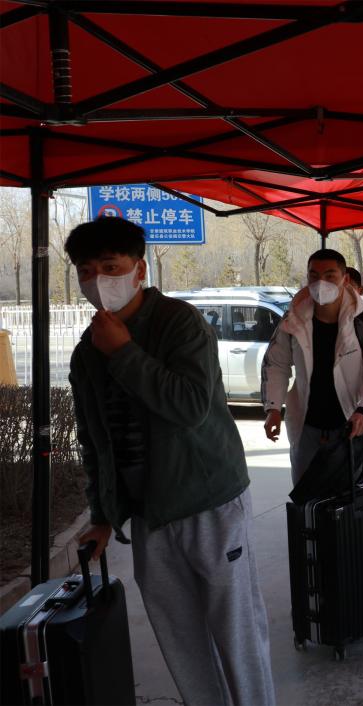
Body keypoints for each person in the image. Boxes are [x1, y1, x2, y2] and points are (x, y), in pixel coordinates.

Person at [65, 217, 275, 706]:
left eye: (110, 267)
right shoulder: (86, 351)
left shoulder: (179, 323)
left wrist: (124, 352)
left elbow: (189, 406)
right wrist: (103, 515)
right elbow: (94, 441)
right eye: (86, 271)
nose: (98, 281)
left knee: (237, 632)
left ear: (139, 270)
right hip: (150, 514)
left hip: (210, 502)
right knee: (180, 639)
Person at [262, 250, 363, 485]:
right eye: (314, 276)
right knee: (308, 498)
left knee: (356, 499)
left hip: (353, 430)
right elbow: (275, 363)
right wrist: (273, 408)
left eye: (330, 275)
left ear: (345, 279)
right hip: (307, 430)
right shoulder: (292, 320)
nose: (320, 283)